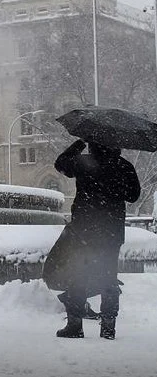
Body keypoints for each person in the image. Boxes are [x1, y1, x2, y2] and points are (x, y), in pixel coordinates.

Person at [53, 140, 140, 340]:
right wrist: (114, 189)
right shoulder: (124, 166)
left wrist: (79, 144)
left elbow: (60, 163)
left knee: (78, 275)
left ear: (92, 144)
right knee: (108, 277)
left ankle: (75, 326)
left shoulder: (83, 162)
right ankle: (108, 326)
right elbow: (134, 196)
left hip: (84, 229)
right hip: (111, 231)